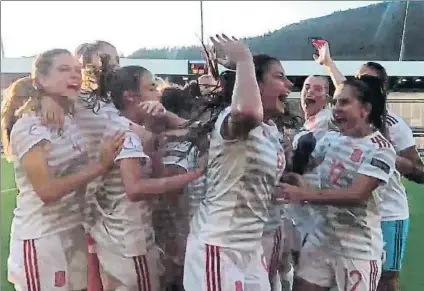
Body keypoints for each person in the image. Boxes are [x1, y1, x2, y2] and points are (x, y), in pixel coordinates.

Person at [3, 48, 124, 291]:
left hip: (72, 229)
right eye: (64, 69)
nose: (75, 75)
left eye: (77, 70)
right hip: (42, 239)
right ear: (41, 80)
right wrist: (100, 165)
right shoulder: (29, 127)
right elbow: (46, 191)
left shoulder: (69, 117)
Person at [184, 34, 292, 291]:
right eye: (279, 77)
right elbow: (247, 111)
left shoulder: (270, 132)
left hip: (250, 248)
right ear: (255, 83)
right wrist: (244, 59)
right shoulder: (233, 121)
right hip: (219, 248)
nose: (289, 84)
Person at [313, 41, 421, 291]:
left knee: (385, 279)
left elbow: (419, 172)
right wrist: (328, 63)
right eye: (359, 79)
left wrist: (387, 156)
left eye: (368, 81)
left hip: (387, 213)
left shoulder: (394, 125)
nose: (361, 84)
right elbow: (344, 87)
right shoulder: (347, 120)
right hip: (351, 217)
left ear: (381, 89)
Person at [90, 65, 203, 290]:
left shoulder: (126, 128)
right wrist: (192, 176)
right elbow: (135, 188)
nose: (157, 94)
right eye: (151, 88)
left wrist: (159, 127)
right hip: (130, 240)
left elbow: (200, 131)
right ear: (131, 97)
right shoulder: (125, 133)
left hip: (121, 237)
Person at [280, 75, 397, 291]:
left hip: (357, 249)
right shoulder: (331, 139)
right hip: (321, 240)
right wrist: (291, 168)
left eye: (344, 102)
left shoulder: (381, 148)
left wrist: (303, 195)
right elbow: (307, 171)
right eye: (334, 102)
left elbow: (356, 195)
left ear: (365, 109)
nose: (336, 108)